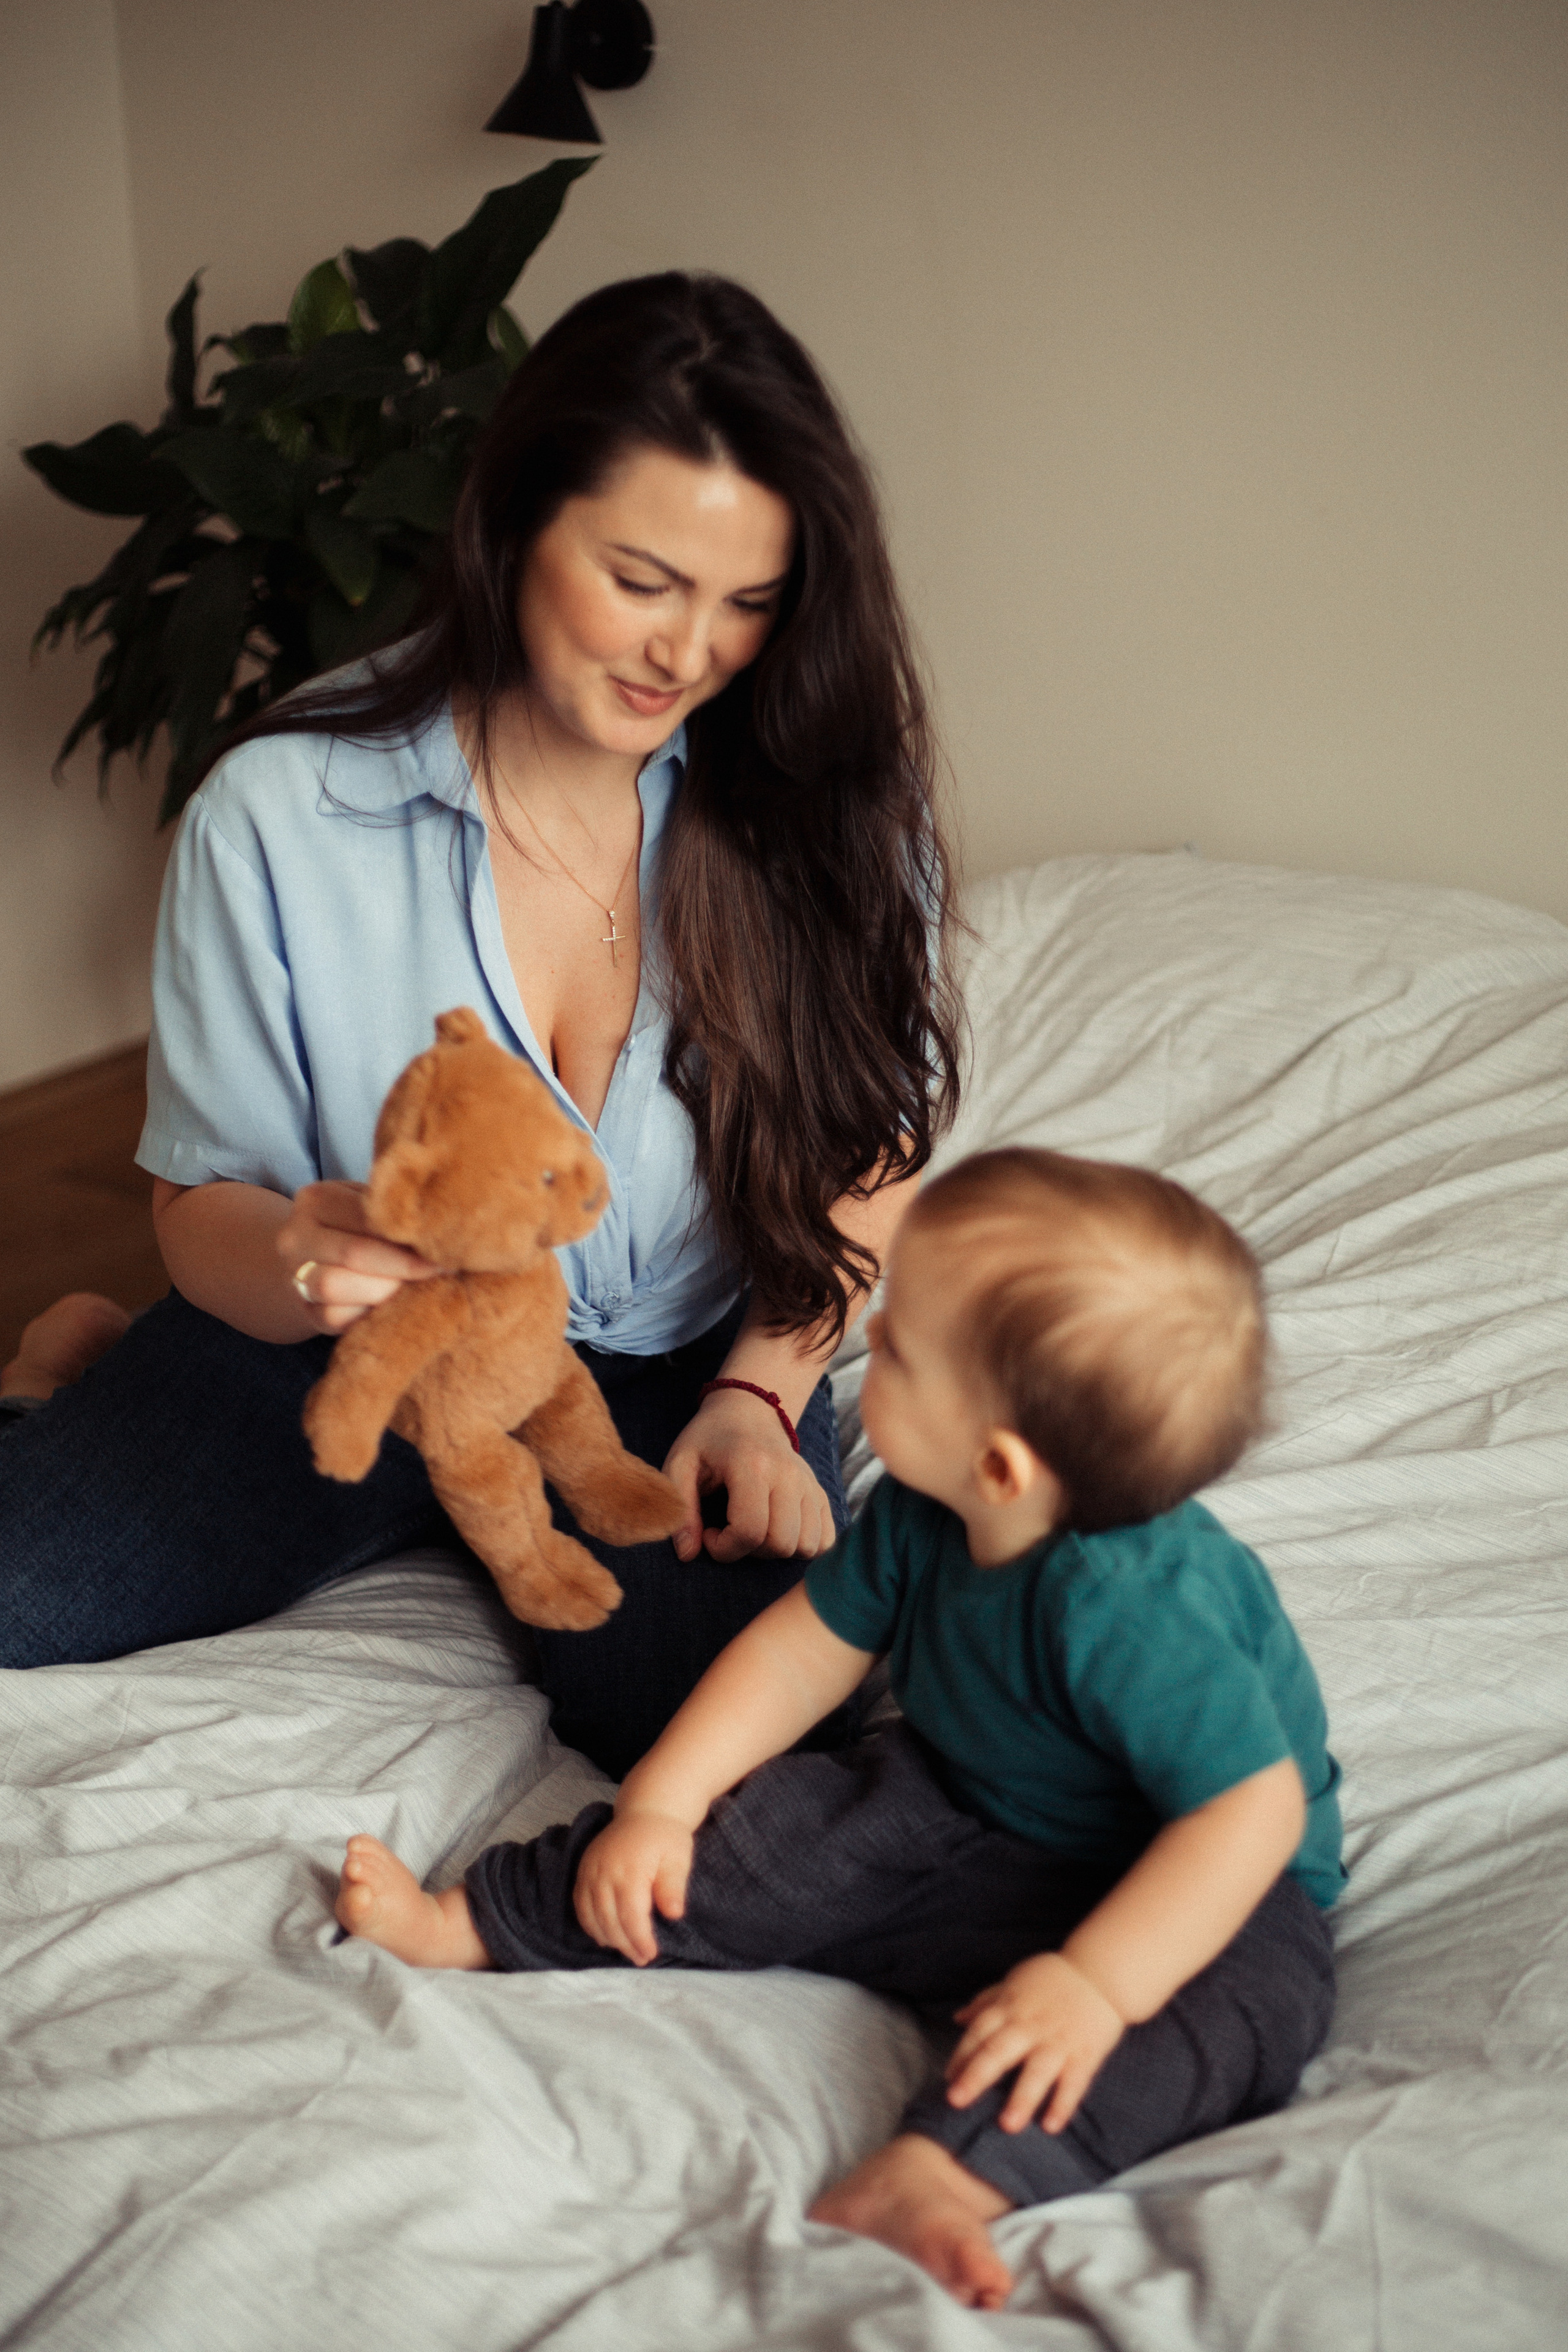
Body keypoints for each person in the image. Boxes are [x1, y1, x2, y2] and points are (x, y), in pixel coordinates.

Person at [0, 273, 962, 1777]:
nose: (688, 651)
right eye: (641, 578)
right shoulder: (278, 815)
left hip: (678, 1364)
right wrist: (306, 1259)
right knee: (24, 1592)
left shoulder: (811, 790)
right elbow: (200, 1200)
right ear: (514, 519)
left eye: (749, 601)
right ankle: (68, 1373)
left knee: (726, 1737)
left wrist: (756, 1401)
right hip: (347, 1348)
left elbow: (874, 1145)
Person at [332, 1147, 1343, 2311]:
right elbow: (798, 1652)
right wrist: (665, 1804)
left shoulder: (1137, 1604)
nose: (871, 1345)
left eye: (901, 1348)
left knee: (1243, 2011)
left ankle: (950, 2174)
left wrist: (1096, 1984)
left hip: (1194, 1880)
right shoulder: (927, 1508)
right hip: (967, 1806)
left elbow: (1248, 1813)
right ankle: (482, 1921)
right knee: (776, 1834)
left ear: (1002, 1464)